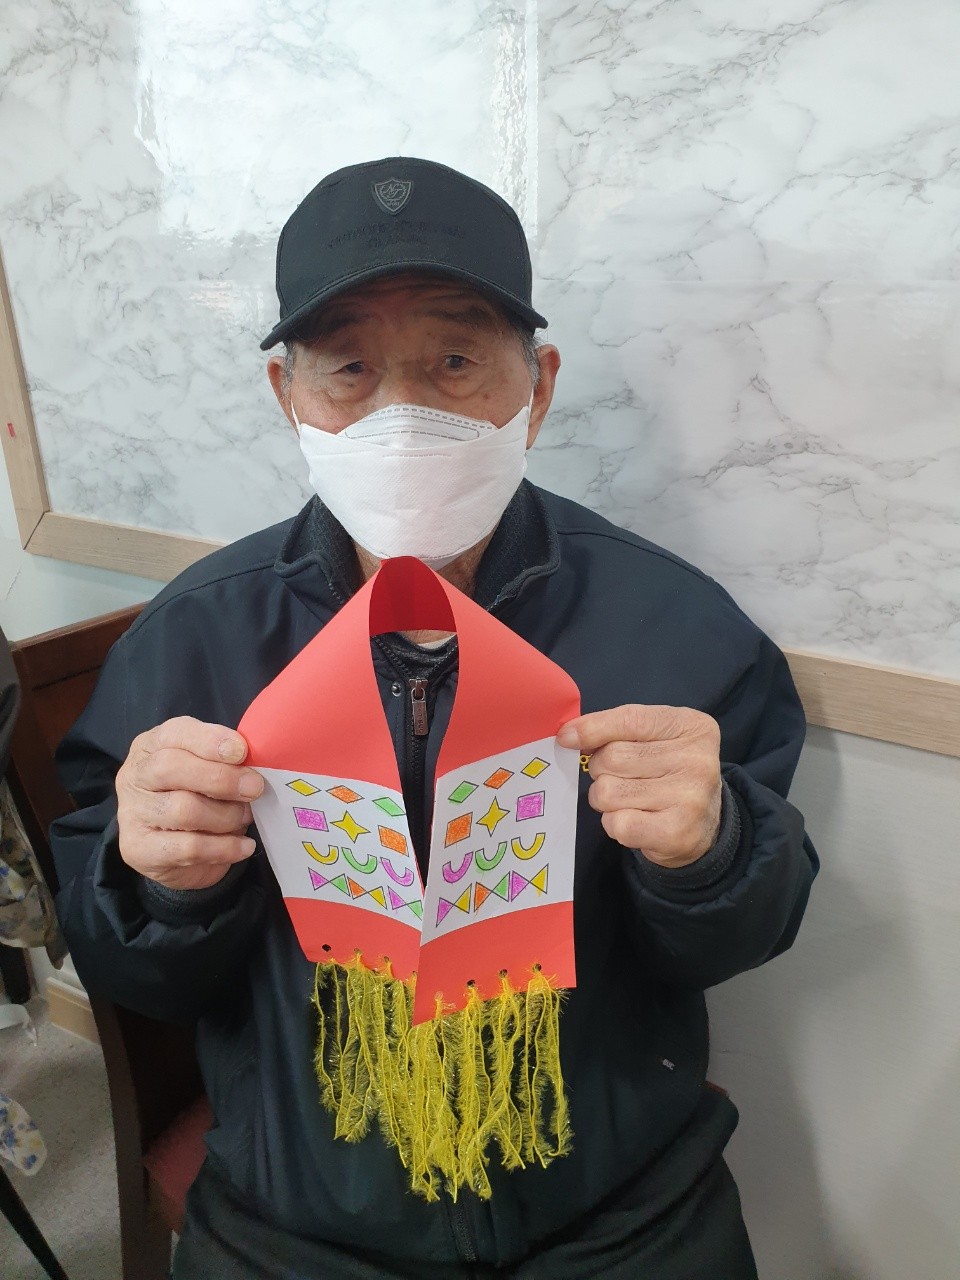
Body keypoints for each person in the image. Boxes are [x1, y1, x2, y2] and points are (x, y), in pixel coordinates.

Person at [51, 157, 818, 1279]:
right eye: (349, 369)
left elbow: (742, 940)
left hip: (620, 1212)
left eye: (455, 362)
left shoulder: (679, 630)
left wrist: (713, 851)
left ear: (536, 387)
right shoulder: (192, 642)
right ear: (288, 396)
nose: (400, 417)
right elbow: (131, 969)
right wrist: (158, 879)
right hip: (298, 1222)